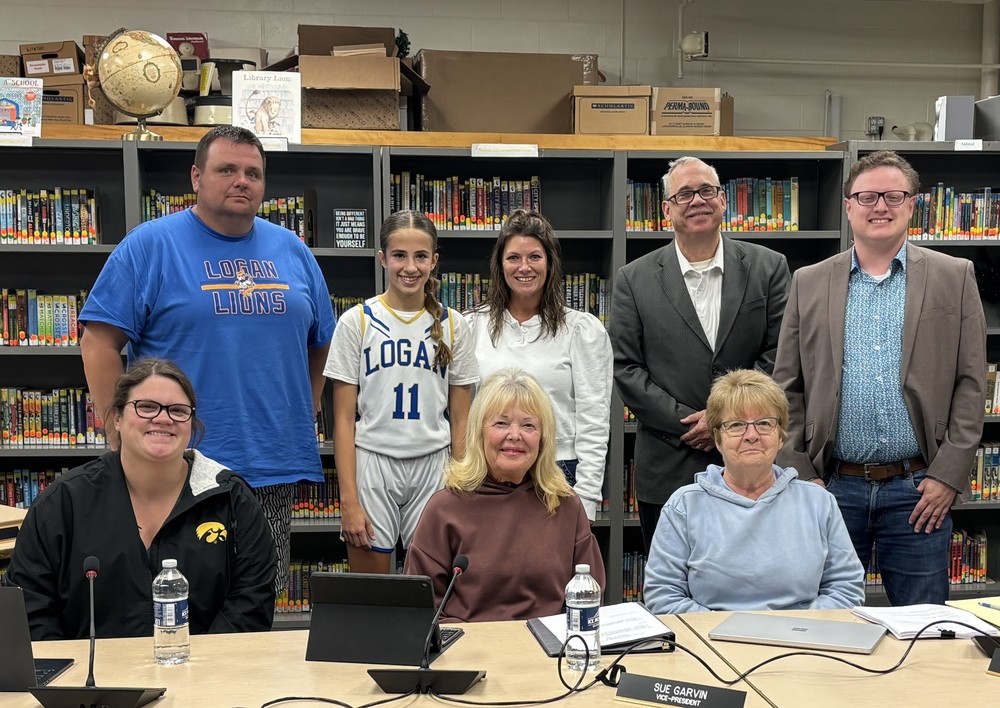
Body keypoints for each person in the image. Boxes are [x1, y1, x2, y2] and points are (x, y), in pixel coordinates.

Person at [79, 125, 335, 596]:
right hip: (174, 464)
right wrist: (117, 428)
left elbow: (322, 341)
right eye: (227, 170)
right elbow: (98, 342)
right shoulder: (150, 245)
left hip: (270, 464)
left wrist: (309, 401)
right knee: (170, 598)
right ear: (196, 177)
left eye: (253, 173)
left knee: (258, 600)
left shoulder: (293, 251)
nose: (242, 181)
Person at [773, 150, 986, 605]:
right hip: (830, 489)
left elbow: (971, 384)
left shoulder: (954, 276)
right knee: (824, 624)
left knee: (922, 627)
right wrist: (802, 474)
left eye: (893, 196)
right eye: (867, 197)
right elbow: (787, 387)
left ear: (913, 205)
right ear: (848, 206)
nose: (880, 207)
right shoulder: (808, 281)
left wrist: (948, 476)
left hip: (919, 491)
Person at [5, 358, 276, 640]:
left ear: (191, 424)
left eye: (178, 410)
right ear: (117, 418)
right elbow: (29, 607)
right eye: (146, 407)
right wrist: (71, 665)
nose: (163, 418)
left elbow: (252, 601)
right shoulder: (64, 502)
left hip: (209, 666)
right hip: (91, 668)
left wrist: (204, 662)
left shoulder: (232, 499)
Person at [609, 156, 790, 554]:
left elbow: (780, 352)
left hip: (751, 460)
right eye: (684, 194)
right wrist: (690, 423)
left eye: (707, 190)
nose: (697, 201)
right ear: (666, 209)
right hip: (669, 461)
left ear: (723, 200)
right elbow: (626, 367)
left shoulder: (769, 267)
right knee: (671, 581)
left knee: (752, 576)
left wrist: (725, 418)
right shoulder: (633, 279)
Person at [324, 210, 479, 574]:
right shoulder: (357, 321)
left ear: (434, 261)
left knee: (430, 591)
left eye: (420, 256)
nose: (410, 267)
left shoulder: (454, 325)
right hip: (373, 462)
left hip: (434, 463)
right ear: (382, 258)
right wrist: (348, 500)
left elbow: (461, 419)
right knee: (371, 594)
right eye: (399, 255)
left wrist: (461, 490)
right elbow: (343, 420)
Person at [644, 369, 864, 615]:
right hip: (711, 635)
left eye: (764, 423)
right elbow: (663, 595)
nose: (751, 435)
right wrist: (728, 630)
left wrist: (797, 628)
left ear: (781, 437)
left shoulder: (818, 502)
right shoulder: (684, 506)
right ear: (717, 439)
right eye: (736, 425)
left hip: (802, 634)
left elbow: (846, 588)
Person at [404, 368, 605, 622]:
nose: (514, 435)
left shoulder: (566, 505)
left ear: (543, 439)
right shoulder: (444, 508)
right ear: (479, 433)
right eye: (501, 423)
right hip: (468, 645)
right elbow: (420, 611)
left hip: (549, 645)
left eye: (528, 425)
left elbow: (590, 601)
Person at [466, 209, 612, 521]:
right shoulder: (471, 326)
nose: (524, 267)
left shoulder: (581, 330)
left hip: (559, 472)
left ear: (550, 263)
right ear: (500, 264)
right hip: (489, 472)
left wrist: (586, 498)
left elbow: (594, 421)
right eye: (513, 258)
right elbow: (461, 414)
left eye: (534, 257)